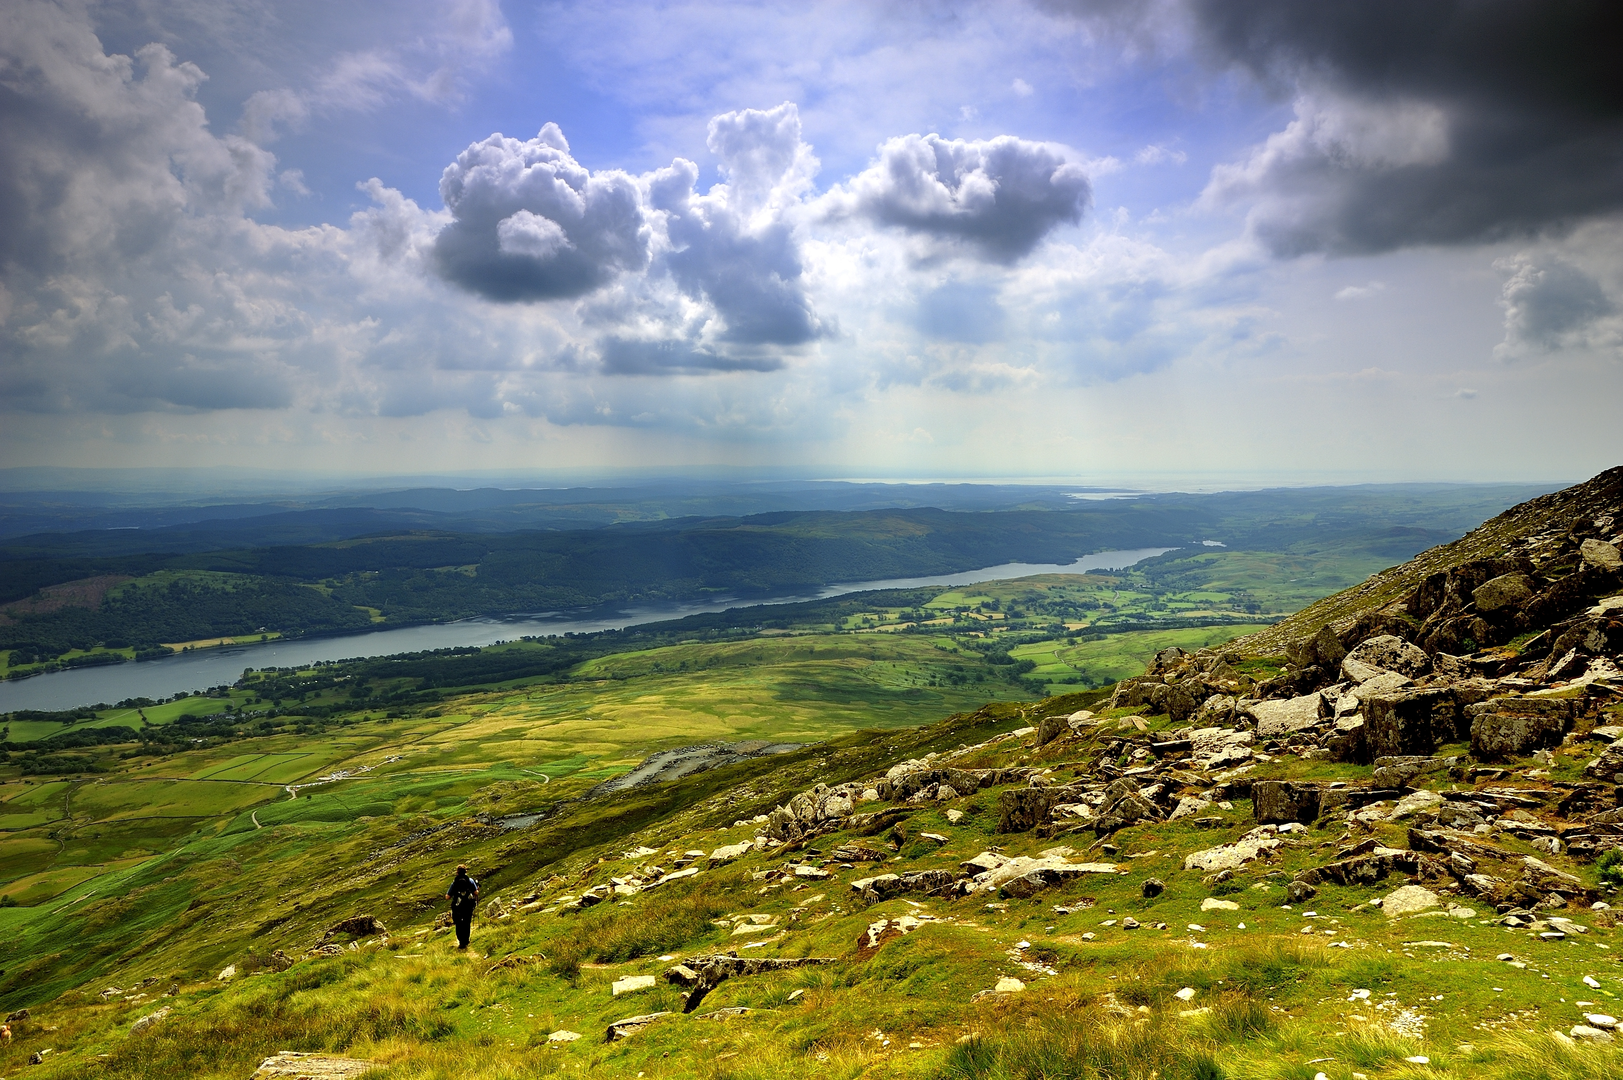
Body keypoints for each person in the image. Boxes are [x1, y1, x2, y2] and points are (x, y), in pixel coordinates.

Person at [445, 864, 480, 950]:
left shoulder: (455, 882)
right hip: (468, 905)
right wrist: (477, 888)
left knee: (458, 924)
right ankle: (466, 940)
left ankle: (461, 942)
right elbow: (476, 893)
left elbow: (447, 897)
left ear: (457, 872)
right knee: (467, 922)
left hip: (457, 906)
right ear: (466, 871)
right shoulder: (470, 881)